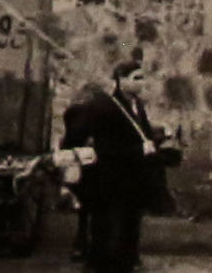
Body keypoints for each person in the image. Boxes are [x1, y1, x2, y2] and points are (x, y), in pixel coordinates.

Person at [59, 60, 176, 273]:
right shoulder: (105, 108)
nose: (142, 83)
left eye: (143, 78)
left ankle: (127, 262)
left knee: (131, 226)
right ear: (121, 81)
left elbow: (142, 133)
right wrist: (139, 150)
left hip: (133, 180)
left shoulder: (137, 105)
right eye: (136, 78)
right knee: (107, 230)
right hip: (111, 180)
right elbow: (106, 150)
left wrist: (158, 135)